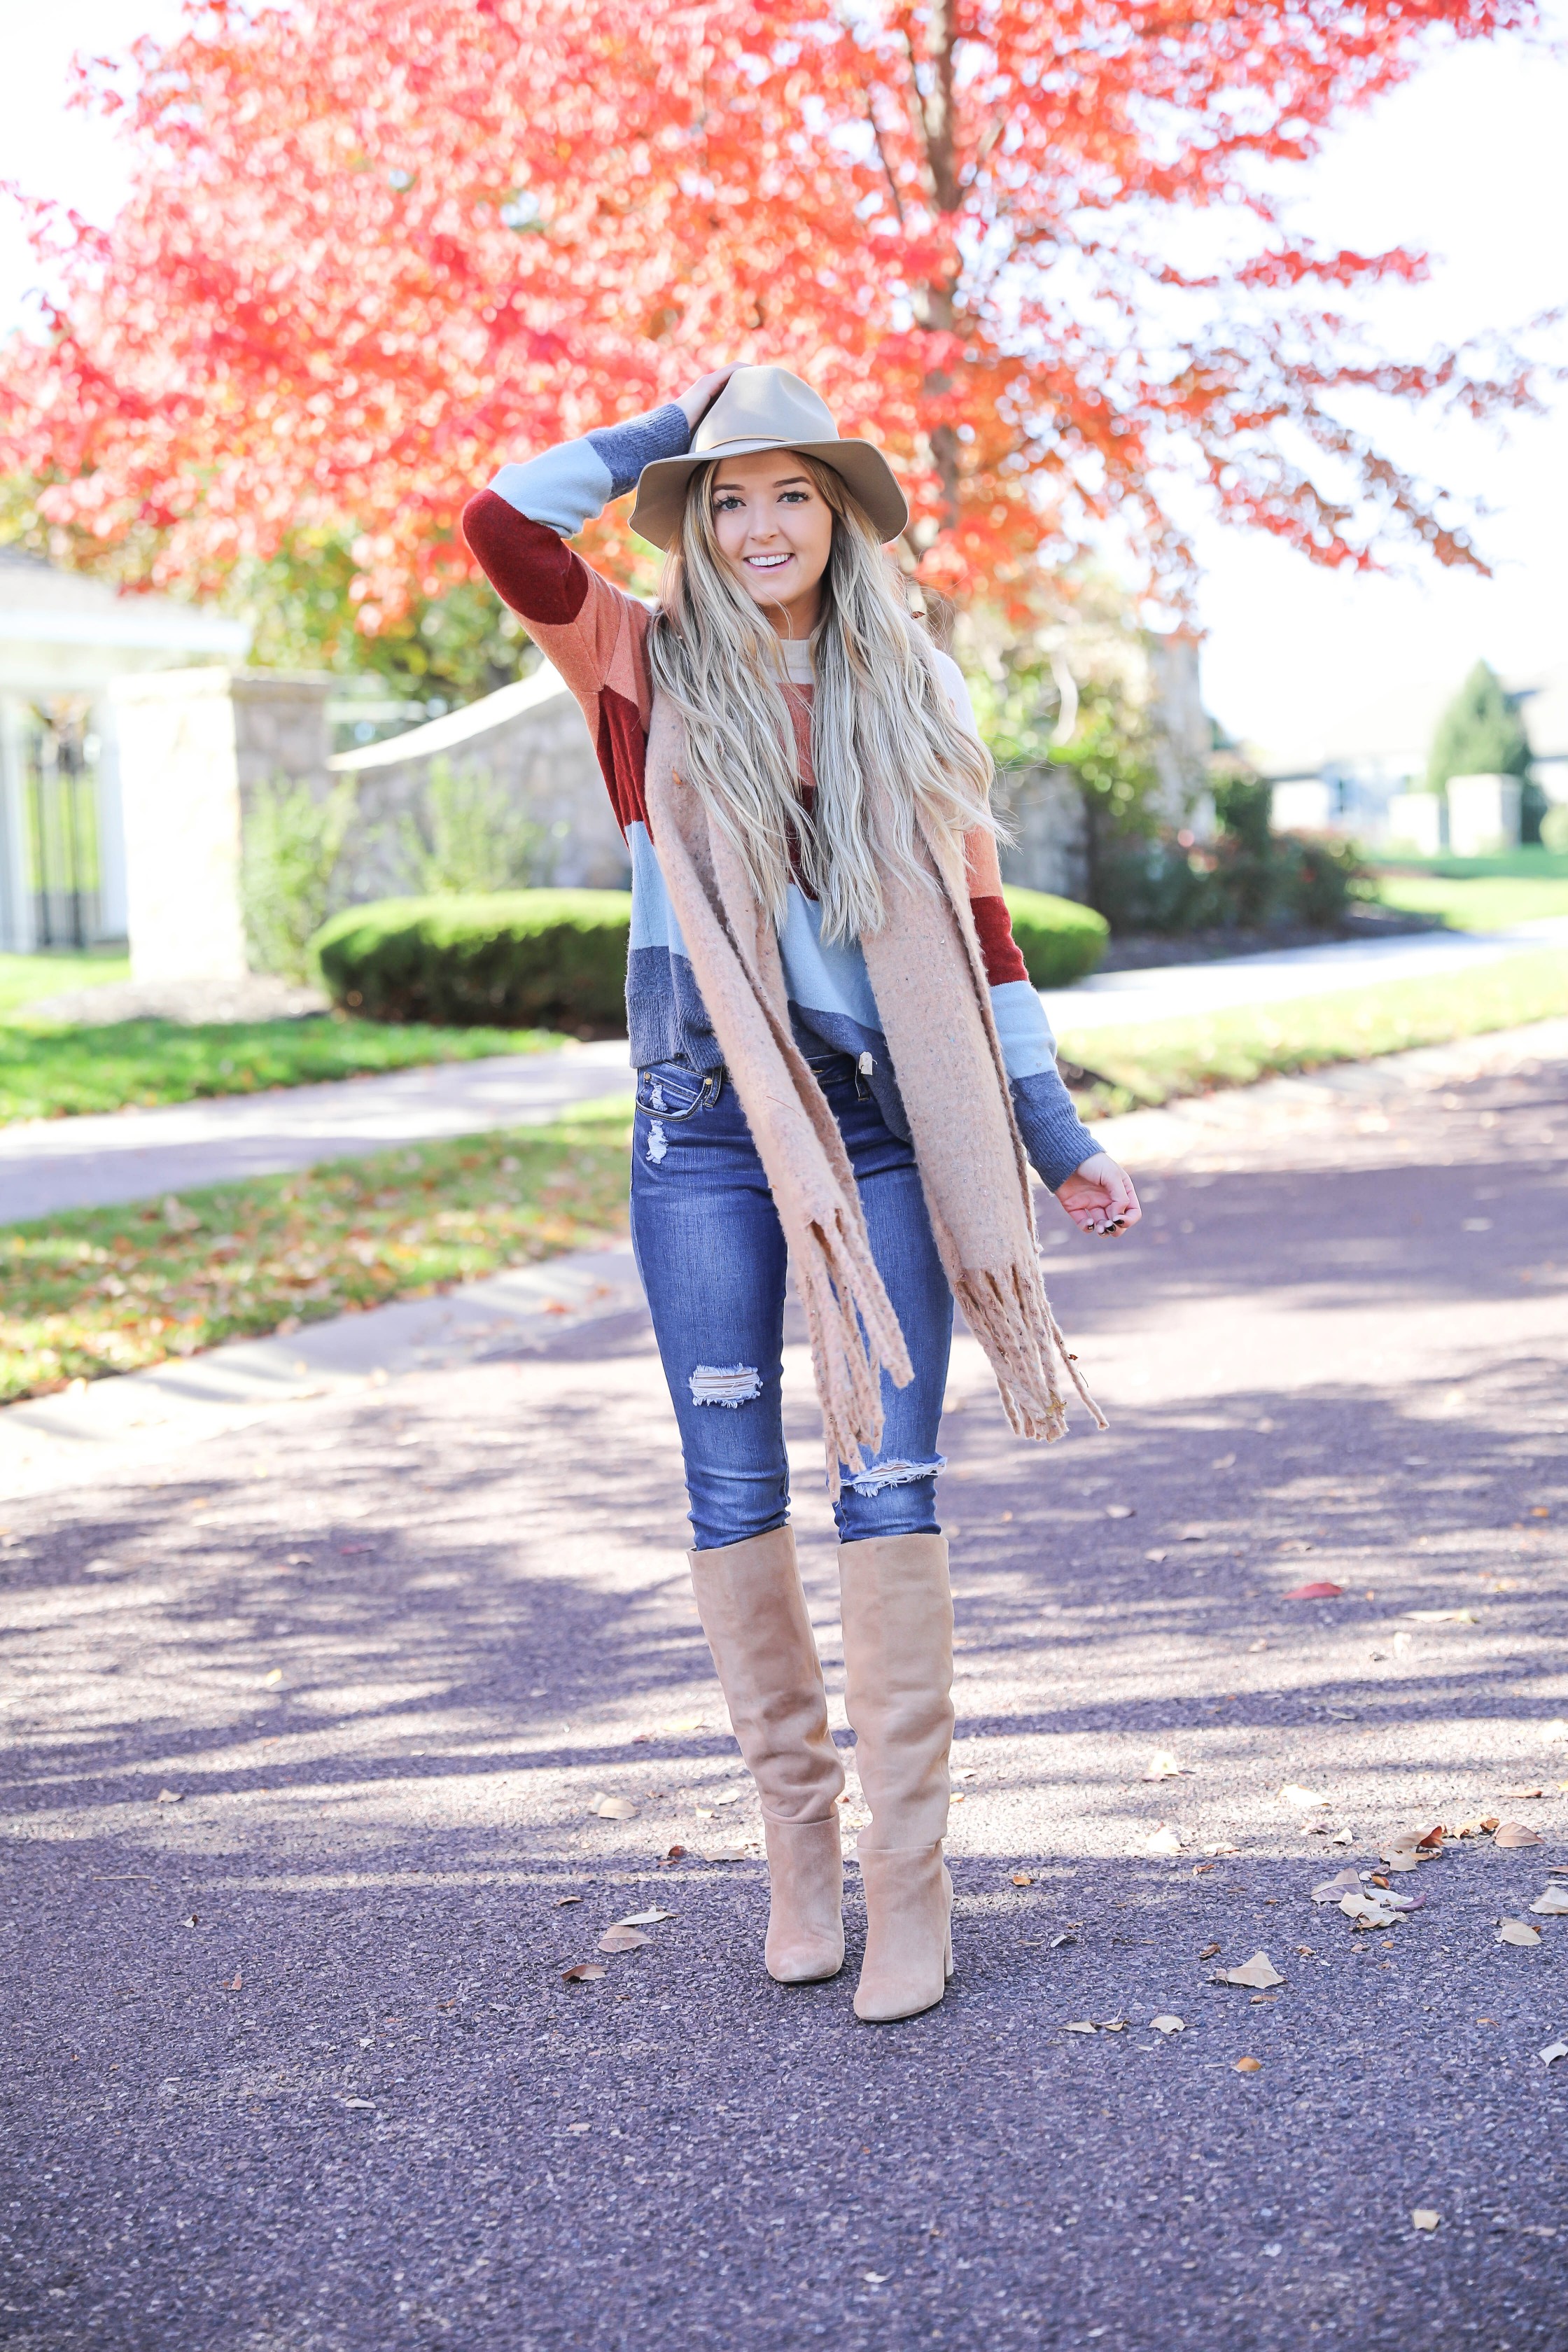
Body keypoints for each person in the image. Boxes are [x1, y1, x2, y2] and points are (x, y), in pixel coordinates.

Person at [463, 365, 1140, 2023]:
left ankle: (908, 1888)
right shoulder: (636, 664)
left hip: (896, 1133)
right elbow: (502, 519)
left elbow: (985, 953)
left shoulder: (917, 696)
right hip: (702, 1132)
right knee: (725, 1483)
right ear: (695, 518)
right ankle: (797, 1857)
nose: (763, 526)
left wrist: (1054, 1135)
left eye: (794, 493)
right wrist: (668, 426)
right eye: (730, 496)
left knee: (888, 1483)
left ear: (838, 518)